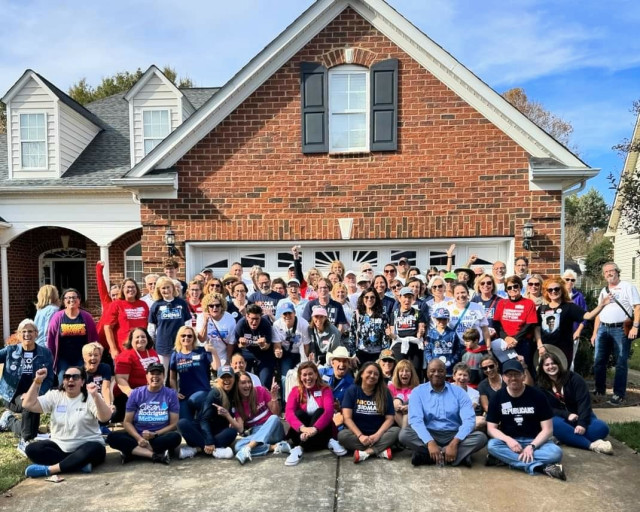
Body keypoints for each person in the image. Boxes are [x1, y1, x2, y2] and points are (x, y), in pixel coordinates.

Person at [20, 366, 111, 478]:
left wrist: (96, 396)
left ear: (82, 382)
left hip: (87, 445)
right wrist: (37, 381)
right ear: (63, 381)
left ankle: (50, 470)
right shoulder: (55, 395)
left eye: (75, 377)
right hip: (60, 447)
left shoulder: (90, 396)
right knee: (32, 449)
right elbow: (28, 404)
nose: (70, 380)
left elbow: (105, 418)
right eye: (67, 377)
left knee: (94, 449)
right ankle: (77, 464)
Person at [486, 359, 565, 480]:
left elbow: (548, 430)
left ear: (523, 376)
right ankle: (540, 467)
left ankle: (506, 459)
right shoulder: (497, 397)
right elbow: (491, 428)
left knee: (556, 453)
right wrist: (508, 440)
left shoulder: (538, 396)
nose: (513, 378)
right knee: (492, 446)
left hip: (536, 441)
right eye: (509, 375)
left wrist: (531, 446)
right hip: (510, 443)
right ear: (503, 377)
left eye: (517, 374)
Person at [399, 359, 487, 467]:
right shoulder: (418, 392)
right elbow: (416, 420)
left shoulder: (459, 392)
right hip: (429, 432)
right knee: (404, 435)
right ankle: (457, 457)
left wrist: (454, 443)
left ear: (446, 373)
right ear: (427, 373)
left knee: (481, 438)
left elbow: (469, 420)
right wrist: (430, 442)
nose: (436, 374)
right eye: (432, 370)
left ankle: (428, 456)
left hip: (454, 433)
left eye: (440, 371)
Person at [536, 349, 612, 454]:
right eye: (547, 365)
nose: (550, 367)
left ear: (559, 364)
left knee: (602, 428)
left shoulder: (574, 378)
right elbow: (546, 408)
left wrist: (582, 424)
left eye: (553, 363)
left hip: (582, 416)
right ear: (542, 368)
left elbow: (584, 403)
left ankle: (566, 437)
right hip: (561, 419)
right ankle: (591, 445)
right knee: (553, 424)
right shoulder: (541, 385)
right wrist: (567, 414)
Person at [107, 363, 181, 465]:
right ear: (146, 376)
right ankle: (154, 455)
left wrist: (155, 434)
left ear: (164, 376)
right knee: (112, 437)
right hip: (138, 435)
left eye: (158, 374)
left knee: (175, 437)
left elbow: (173, 424)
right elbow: (127, 422)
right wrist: (139, 438)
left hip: (159, 435)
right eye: (152, 373)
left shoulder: (171, 394)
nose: (155, 376)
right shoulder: (136, 393)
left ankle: (133, 452)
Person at [0, 319, 54, 454]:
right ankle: (25, 441)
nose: (26, 335)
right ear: (18, 335)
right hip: (11, 395)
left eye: (30, 331)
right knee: (28, 404)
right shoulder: (10, 351)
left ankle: (9, 420)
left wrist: (38, 392)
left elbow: (49, 378)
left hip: (35, 393)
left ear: (36, 333)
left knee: (32, 429)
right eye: (23, 332)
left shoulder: (45, 353)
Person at [592, 262, 640, 405]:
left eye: (611, 271)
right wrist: (595, 333)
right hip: (603, 329)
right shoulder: (604, 290)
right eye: (606, 272)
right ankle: (599, 390)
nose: (609, 274)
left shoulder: (628, 287)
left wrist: (635, 326)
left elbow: (637, 308)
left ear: (617, 272)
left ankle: (619, 394)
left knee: (620, 362)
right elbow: (598, 313)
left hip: (620, 329)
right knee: (598, 361)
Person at [283, 362, 347, 466]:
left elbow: (329, 411)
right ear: (300, 377)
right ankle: (327, 443)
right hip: (301, 435)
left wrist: (315, 429)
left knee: (320, 412)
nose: (308, 378)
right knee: (298, 414)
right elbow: (288, 413)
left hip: (320, 433)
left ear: (316, 375)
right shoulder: (295, 391)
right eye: (304, 375)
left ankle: (300, 448)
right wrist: (303, 428)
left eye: (310, 374)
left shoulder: (325, 389)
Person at [538, 276, 608, 365]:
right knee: (545, 375)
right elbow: (537, 329)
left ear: (562, 290)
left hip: (563, 349)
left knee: (562, 375)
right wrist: (540, 345)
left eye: (556, 289)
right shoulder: (542, 309)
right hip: (545, 348)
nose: (553, 291)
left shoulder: (569, 307)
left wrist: (601, 305)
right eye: (550, 290)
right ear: (546, 292)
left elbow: (589, 316)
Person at [338, 361, 399, 463]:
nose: (372, 376)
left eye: (376, 374)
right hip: (358, 434)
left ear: (379, 378)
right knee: (342, 436)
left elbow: (390, 419)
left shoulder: (385, 392)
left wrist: (377, 436)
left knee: (396, 432)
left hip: (379, 434)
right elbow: (347, 418)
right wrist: (360, 436)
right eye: (369, 372)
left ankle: (366, 453)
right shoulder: (352, 391)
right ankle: (380, 450)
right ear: (361, 374)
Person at [176, 366, 240, 460]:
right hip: (203, 431)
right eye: (223, 377)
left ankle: (197, 449)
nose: (226, 380)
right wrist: (209, 441)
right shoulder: (214, 394)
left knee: (232, 432)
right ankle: (214, 450)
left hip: (218, 433)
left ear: (234, 378)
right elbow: (204, 420)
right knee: (182, 423)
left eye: (229, 377)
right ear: (218, 380)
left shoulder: (235, 394)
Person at [231, 372, 288, 464]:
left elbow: (276, 413)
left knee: (273, 418)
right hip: (257, 433)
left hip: (274, 431)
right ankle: (274, 447)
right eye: (243, 383)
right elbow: (241, 429)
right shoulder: (238, 404)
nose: (247, 385)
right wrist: (228, 416)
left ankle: (248, 448)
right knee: (237, 447)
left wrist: (273, 397)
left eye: (249, 382)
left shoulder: (260, 391)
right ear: (236, 385)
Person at [47, 288, 98, 382]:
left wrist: (92, 357)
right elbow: (51, 339)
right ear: (64, 301)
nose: (71, 300)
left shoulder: (86, 317)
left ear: (79, 300)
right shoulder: (57, 317)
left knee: (83, 380)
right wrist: (51, 358)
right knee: (63, 380)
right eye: (68, 298)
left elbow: (94, 339)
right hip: (63, 358)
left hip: (82, 357)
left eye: (74, 297)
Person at [169, 326, 219, 420]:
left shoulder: (201, 351)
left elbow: (216, 367)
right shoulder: (175, 354)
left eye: (189, 336)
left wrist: (213, 351)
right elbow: (172, 378)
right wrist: (175, 392)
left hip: (203, 392)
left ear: (194, 338)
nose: (186, 338)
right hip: (184, 395)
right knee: (184, 423)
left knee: (195, 400)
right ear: (179, 337)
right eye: (183, 335)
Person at [113, 328, 160, 422]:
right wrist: (132, 394)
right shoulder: (125, 356)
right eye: (137, 337)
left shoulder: (152, 352)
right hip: (129, 395)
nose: (140, 339)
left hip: (150, 393)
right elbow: (121, 379)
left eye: (143, 336)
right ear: (131, 340)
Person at [148, 276, 192, 375]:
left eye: (168, 287)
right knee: (162, 374)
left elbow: (188, 324)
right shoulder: (156, 305)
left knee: (181, 374)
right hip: (162, 346)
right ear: (159, 290)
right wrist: (151, 344)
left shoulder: (181, 303)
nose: (166, 290)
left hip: (180, 345)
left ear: (173, 288)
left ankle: (179, 391)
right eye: (163, 288)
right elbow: (151, 328)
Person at [492, 276, 538, 371]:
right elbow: (496, 323)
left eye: (515, 286)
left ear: (520, 287)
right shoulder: (501, 303)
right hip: (505, 343)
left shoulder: (529, 303)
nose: (512, 289)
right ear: (506, 290)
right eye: (509, 287)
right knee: (505, 370)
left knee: (523, 370)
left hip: (522, 342)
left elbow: (530, 324)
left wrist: (515, 339)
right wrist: (506, 338)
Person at [103, 278, 149, 361]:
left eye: (133, 287)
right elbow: (107, 327)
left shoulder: (143, 304)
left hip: (142, 347)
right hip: (123, 348)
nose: (130, 289)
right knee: (124, 373)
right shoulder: (116, 304)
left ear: (137, 289)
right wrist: (113, 349)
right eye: (128, 287)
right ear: (122, 289)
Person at [232, 304, 275, 386]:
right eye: (252, 319)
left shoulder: (265, 324)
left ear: (261, 317)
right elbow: (238, 345)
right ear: (247, 316)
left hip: (263, 355)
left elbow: (267, 346)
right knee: (242, 380)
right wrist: (242, 344)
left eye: (257, 319)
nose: (254, 322)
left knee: (264, 382)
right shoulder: (241, 324)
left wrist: (263, 345)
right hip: (246, 354)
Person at [272, 302, 311, 391]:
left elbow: (306, 346)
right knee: (285, 377)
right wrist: (278, 352)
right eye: (285, 314)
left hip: (300, 352)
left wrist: (306, 362)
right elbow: (277, 344)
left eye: (290, 313)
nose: (287, 316)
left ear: (294, 313)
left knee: (302, 375)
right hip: (286, 353)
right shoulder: (277, 325)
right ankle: (285, 400)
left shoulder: (303, 324)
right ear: (281, 315)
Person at [387, 286, 427, 372]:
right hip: (399, 343)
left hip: (414, 343)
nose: (407, 300)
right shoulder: (394, 314)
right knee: (399, 370)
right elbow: (393, 332)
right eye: (405, 297)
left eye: (410, 297)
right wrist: (390, 334)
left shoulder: (418, 312)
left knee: (415, 371)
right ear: (400, 298)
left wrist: (420, 332)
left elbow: (421, 326)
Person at [348, 288, 390, 364]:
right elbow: (352, 335)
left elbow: (385, 336)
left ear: (376, 299)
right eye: (366, 297)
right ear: (362, 298)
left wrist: (383, 356)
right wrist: (353, 355)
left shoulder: (383, 315)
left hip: (378, 354)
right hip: (361, 353)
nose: (369, 299)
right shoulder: (357, 314)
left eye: (372, 297)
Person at [318, 347, 356, 431]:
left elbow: (352, 408)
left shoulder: (352, 384)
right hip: (318, 413)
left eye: (345, 361)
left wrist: (340, 408)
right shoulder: (321, 373)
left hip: (338, 419)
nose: (342, 364)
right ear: (332, 363)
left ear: (349, 364)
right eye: (339, 360)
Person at [82, 342, 114, 435]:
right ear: (84, 357)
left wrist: (109, 405)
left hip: (100, 399)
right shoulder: (80, 371)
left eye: (96, 355)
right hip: (85, 401)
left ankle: (101, 427)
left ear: (100, 357)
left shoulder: (105, 367)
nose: (93, 358)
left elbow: (106, 388)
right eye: (90, 355)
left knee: (112, 410)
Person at [197, 292, 236, 366]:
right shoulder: (201, 317)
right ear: (207, 307)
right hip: (206, 355)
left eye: (217, 305)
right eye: (211, 306)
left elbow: (231, 343)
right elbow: (202, 339)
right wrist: (205, 322)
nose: (214, 308)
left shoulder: (230, 318)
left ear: (222, 306)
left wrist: (227, 361)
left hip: (223, 355)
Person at [446, 282, 491, 347]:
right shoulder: (449, 309)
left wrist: (488, 347)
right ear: (453, 295)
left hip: (476, 346)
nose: (461, 295)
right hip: (457, 346)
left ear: (468, 293)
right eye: (457, 293)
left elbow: (485, 329)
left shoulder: (477, 307)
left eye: (463, 292)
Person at [424, 308, 463, 378]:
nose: (442, 322)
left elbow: (458, 351)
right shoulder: (430, 334)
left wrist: (451, 361)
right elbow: (427, 350)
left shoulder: (453, 334)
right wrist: (431, 362)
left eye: (444, 319)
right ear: (435, 319)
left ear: (448, 320)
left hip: (449, 370)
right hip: (434, 370)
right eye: (439, 319)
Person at [452, 362, 485, 430]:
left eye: (465, 375)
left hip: (465, 420)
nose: (462, 378)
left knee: (481, 420)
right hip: (448, 420)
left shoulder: (474, 393)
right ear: (454, 376)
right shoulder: (446, 389)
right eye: (460, 374)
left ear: (469, 378)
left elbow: (468, 411)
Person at [388, 359, 420, 427]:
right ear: (397, 373)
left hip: (413, 419)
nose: (404, 373)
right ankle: (405, 431)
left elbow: (422, 406)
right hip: (397, 420)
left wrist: (410, 407)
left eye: (407, 371)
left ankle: (405, 432)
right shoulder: (391, 387)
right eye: (401, 371)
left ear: (411, 373)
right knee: (395, 402)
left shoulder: (418, 388)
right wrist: (396, 405)